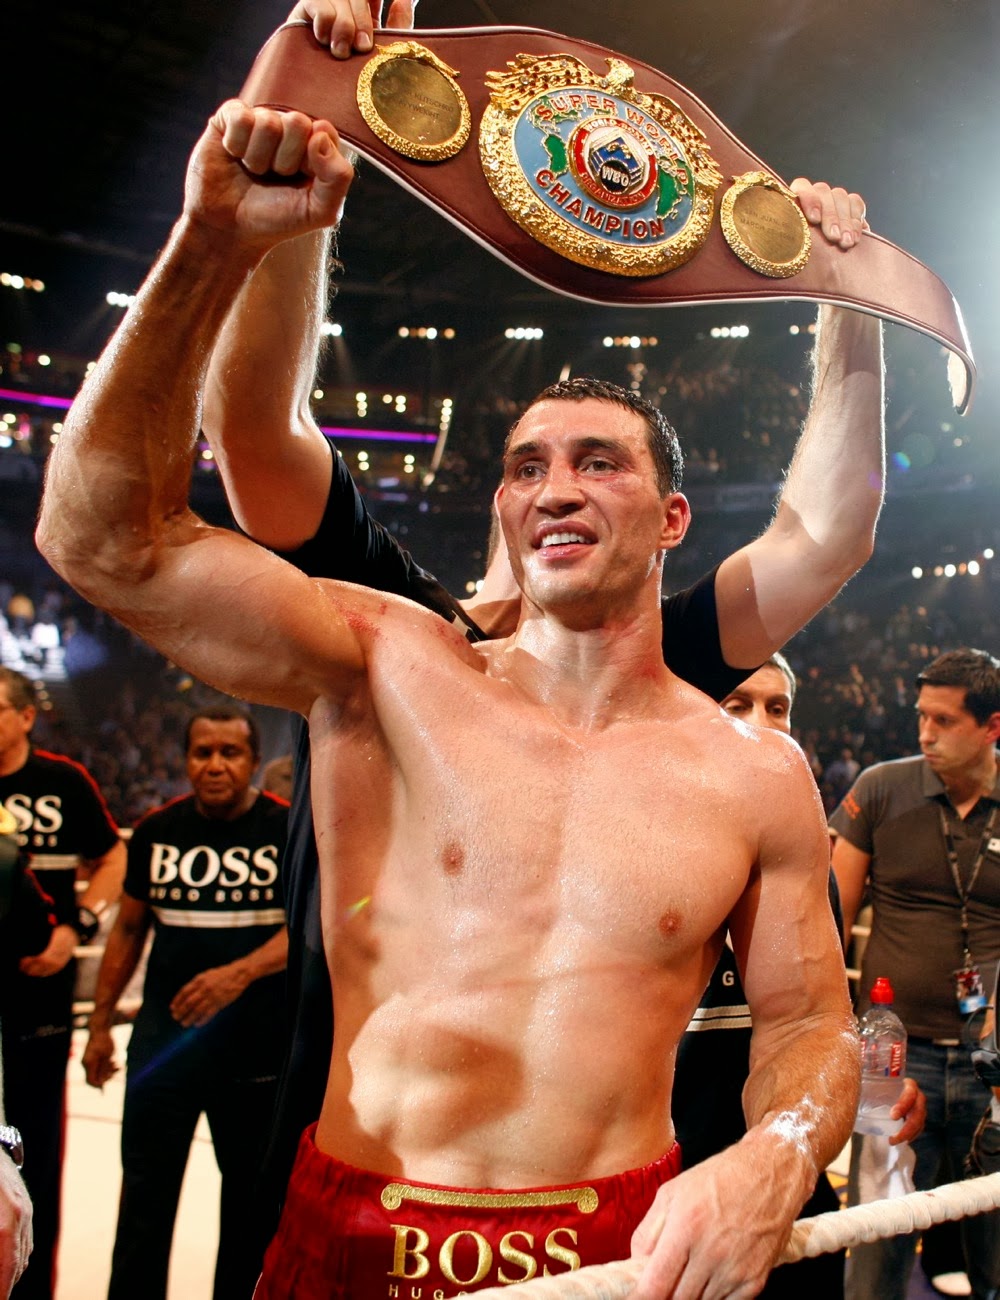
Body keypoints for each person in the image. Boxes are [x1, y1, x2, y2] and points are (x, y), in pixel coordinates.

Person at [36, 85, 864, 1299]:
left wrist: (777, 1154)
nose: (553, 487)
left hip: (612, 1250)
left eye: (597, 461)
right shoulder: (385, 659)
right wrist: (212, 242)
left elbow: (806, 1028)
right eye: (525, 466)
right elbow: (101, 536)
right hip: (354, 1229)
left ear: (672, 516)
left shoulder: (753, 770)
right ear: (503, 508)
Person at [675, 654, 926, 1298]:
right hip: (665, 1198)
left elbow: (816, 1027)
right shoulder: (634, 854)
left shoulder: (811, 870)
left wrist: (863, 1084)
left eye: (778, 707)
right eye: (736, 703)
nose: (763, 724)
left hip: (786, 1191)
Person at [83, 707, 289, 1300]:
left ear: (253, 762)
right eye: (203, 753)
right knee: (143, 1205)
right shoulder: (157, 831)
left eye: (230, 753)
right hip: (162, 1048)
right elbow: (127, 930)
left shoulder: (286, 830)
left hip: (254, 1053)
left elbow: (317, 925)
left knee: (249, 1213)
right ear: (187, 760)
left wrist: (239, 974)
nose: (215, 765)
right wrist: (99, 1025)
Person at [831, 647, 1000, 1300]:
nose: (925, 733)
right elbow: (831, 924)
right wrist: (836, 1043)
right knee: (875, 1249)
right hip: (892, 1059)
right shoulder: (881, 788)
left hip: (993, 1060)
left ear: (992, 726)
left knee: (996, 1258)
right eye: (921, 716)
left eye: (944, 720)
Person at [0, 667, 124, 1300]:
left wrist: (77, 928)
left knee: (35, 1147)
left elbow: (113, 854)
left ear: (27, 716)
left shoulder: (62, 782)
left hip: (39, 992)